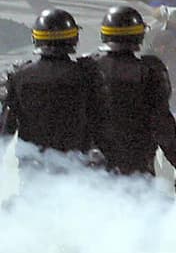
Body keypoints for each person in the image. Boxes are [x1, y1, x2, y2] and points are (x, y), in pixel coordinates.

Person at [92, 6, 176, 194]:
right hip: (137, 165)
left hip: (94, 168)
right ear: (139, 35)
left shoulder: (87, 69)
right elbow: (162, 124)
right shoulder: (150, 71)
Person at [1, 9, 107, 177]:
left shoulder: (19, 76)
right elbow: (102, 122)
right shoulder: (88, 75)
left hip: (33, 168)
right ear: (73, 39)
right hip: (77, 167)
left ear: (36, 38)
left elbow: (6, 129)